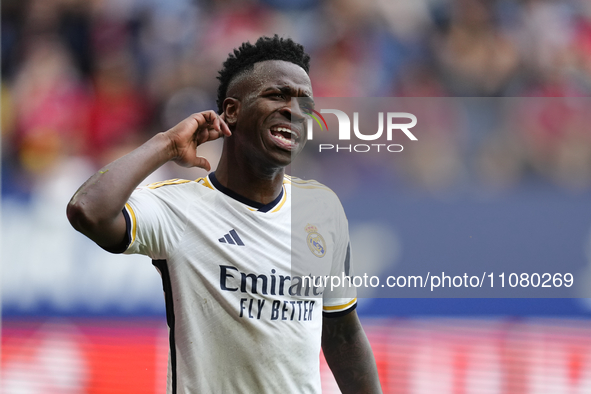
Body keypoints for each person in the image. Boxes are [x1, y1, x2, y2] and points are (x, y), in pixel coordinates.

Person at [67, 35, 382, 394]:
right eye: (277, 94)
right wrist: (166, 145)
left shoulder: (322, 209)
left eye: (304, 102)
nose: (294, 110)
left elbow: (342, 332)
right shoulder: (178, 210)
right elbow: (87, 210)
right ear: (231, 111)